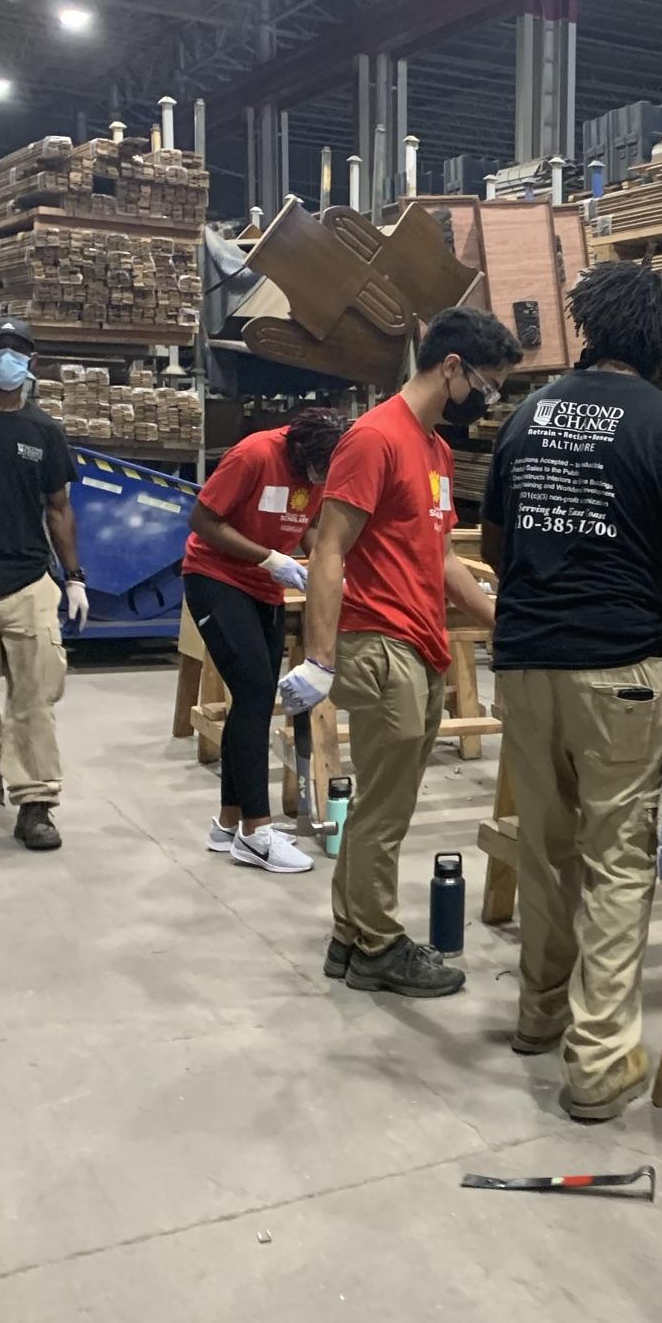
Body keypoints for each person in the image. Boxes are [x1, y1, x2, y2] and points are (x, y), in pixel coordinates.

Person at [481, 260, 662, 1123]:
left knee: (547, 845)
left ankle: (539, 1017)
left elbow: (496, 545)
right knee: (615, 861)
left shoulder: (526, 415)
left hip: (526, 664)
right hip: (620, 675)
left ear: (591, 328)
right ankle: (599, 1059)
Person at [280, 307, 520, 997]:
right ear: (452, 369)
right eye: (487, 385)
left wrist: (500, 617)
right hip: (380, 645)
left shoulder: (435, 452)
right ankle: (379, 944)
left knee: (386, 804)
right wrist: (321, 659)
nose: (486, 401)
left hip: (421, 643)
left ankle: (350, 937)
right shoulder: (376, 438)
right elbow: (328, 552)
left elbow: (440, 556)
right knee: (386, 811)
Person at [182, 408, 346, 873]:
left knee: (250, 699)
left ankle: (228, 822)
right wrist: (269, 558)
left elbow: (310, 525)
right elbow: (203, 519)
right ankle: (257, 831)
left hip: (265, 587)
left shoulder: (325, 467)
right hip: (216, 577)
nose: (321, 479)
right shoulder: (255, 454)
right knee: (255, 690)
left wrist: (326, 564)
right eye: (318, 470)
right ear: (299, 452)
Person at [0, 318, 88, 852]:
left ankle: (36, 804)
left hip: (27, 584)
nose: (9, 358)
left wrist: (75, 577)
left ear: (32, 359)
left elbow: (59, 508)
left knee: (34, 698)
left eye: (19, 350)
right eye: (0, 349)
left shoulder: (44, 431)